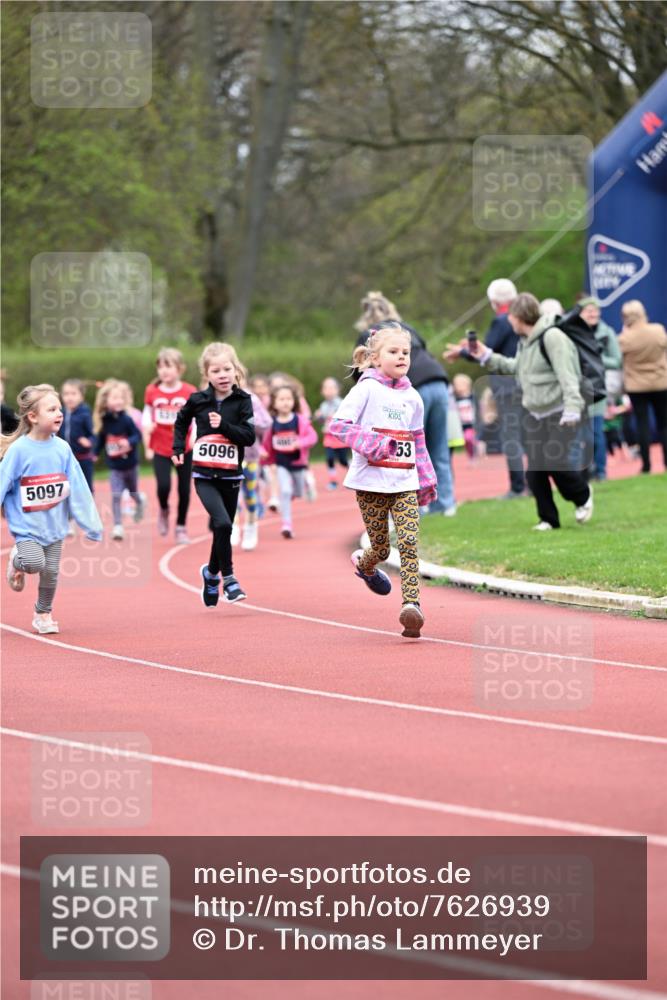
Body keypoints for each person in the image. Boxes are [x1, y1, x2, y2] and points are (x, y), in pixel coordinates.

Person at [446, 293, 592, 531]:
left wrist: (573, 408)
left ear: (519, 317)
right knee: (535, 471)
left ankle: (582, 495)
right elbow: (516, 368)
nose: (508, 320)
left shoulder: (553, 337)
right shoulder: (526, 340)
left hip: (561, 410)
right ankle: (548, 519)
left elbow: (568, 375)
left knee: (555, 463)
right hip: (535, 413)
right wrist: (486, 355)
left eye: (510, 316)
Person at [329, 322, 437, 639]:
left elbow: (418, 441)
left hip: (404, 481)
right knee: (381, 547)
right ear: (376, 358)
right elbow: (338, 426)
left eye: (406, 352)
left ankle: (411, 607)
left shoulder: (414, 397)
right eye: (394, 351)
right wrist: (373, 443)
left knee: (409, 541)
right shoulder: (365, 389)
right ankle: (365, 565)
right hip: (371, 482)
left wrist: (427, 478)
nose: (402, 356)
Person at [0, 384, 102, 634]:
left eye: (59, 408)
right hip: (27, 527)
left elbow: (78, 486)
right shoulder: (19, 451)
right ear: (33, 417)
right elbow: (3, 481)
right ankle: (17, 559)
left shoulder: (62, 449)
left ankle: (43, 613)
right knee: (34, 562)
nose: (59, 413)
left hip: (55, 525)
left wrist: (90, 523)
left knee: (51, 572)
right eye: (52, 409)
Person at [355, 291, 455, 515]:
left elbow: (362, 372)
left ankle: (415, 508)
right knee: (438, 448)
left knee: (406, 451)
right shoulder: (406, 328)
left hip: (411, 389)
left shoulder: (370, 336)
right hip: (439, 382)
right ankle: (446, 504)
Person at [172, 342, 255, 605]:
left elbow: (249, 437)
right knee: (222, 524)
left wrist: (226, 427)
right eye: (216, 370)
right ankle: (229, 580)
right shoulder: (198, 400)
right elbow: (181, 421)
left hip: (231, 476)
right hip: (204, 475)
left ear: (235, 370)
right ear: (206, 374)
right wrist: (177, 447)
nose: (222, 375)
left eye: (227, 369)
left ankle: (210, 574)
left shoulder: (243, 401)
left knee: (224, 528)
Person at [142, 348, 197, 543]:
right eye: (160, 367)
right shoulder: (152, 391)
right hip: (161, 446)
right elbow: (147, 413)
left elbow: (197, 417)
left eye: (169, 366)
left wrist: (194, 437)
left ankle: (181, 526)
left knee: (184, 490)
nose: (164, 371)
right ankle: (164, 509)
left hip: (184, 447)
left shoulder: (189, 391)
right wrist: (147, 425)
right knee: (163, 486)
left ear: (180, 369)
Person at [481, 278, 526, 498]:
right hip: (526, 381)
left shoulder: (500, 321)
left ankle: (518, 487)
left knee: (511, 437)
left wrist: (464, 350)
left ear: (494, 301)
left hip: (507, 384)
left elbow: (485, 351)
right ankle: (533, 485)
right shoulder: (524, 318)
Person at [261, 384, 317, 539]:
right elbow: (266, 443)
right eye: (281, 399)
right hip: (281, 463)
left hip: (298, 464)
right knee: (284, 491)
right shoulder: (271, 423)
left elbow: (313, 437)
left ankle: (304, 484)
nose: (285, 402)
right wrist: (263, 453)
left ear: (294, 401)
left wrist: (300, 442)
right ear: (274, 403)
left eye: (288, 399)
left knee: (297, 492)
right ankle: (287, 524)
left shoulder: (300, 421)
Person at [618, 300, 667, 474]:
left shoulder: (624, 338)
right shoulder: (658, 330)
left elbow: (619, 360)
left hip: (637, 386)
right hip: (661, 382)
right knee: (664, 423)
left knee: (642, 424)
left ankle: (646, 464)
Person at [93, 380, 146, 541]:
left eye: (121, 398)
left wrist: (128, 442)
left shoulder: (127, 419)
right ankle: (118, 526)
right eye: (115, 398)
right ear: (106, 401)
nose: (119, 401)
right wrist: (95, 453)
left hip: (130, 464)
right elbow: (102, 439)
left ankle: (140, 500)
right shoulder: (104, 421)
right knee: (116, 495)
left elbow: (138, 435)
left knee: (132, 492)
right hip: (115, 466)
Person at [577, 295, 622, 480]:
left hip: (597, 388)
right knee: (581, 435)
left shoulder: (607, 332)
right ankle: (585, 471)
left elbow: (617, 360)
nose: (592, 314)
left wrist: (596, 359)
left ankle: (601, 471)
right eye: (588, 310)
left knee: (596, 432)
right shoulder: (574, 333)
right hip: (578, 389)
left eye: (595, 310)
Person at [231, 372, 272, 550]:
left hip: (250, 455)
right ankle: (233, 527)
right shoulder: (218, 400)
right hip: (228, 456)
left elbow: (266, 422)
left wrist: (248, 419)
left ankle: (250, 527)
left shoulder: (251, 399)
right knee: (230, 494)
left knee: (249, 493)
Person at [58, 379, 95, 492]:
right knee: (67, 488)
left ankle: (89, 508)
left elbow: (93, 434)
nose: (69, 397)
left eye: (73, 394)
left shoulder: (85, 413)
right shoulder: (61, 413)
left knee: (86, 487)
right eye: (66, 394)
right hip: (66, 458)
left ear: (81, 396)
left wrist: (89, 441)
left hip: (83, 458)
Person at [314, 376, 350, 489]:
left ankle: (352, 473)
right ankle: (333, 481)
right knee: (329, 458)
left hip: (340, 438)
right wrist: (318, 417)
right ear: (322, 391)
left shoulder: (342, 403)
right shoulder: (323, 406)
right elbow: (321, 421)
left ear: (337, 389)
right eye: (326, 388)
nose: (329, 390)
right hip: (328, 437)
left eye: (331, 388)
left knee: (342, 460)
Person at [452, 373, 477, 461]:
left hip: (472, 424)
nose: (458, 387)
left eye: (460, 384)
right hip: (461, 424)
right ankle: (471, 455)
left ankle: (474, 454)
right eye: (456, 385)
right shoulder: (455, 399)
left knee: (468, 438)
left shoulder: (472, 397)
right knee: (466, 441)